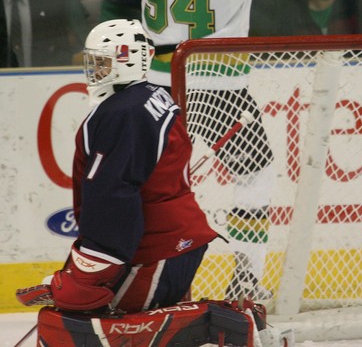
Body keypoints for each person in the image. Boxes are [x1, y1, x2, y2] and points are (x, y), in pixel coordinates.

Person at [106, 0, 332, 301]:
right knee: (254, 173)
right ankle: (247, 279)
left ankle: (128, 274)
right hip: (217, 87)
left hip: (157, 87)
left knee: (151, 183)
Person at [17, 18, 218, 315]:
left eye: (102, 62)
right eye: (93, 61)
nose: (94, 70)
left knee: (96, 323)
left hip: (155, 252)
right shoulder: (150, 96)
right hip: (176, 243)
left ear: (126, 61)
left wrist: (93, 266)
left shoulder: (121, 112)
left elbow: (112, 193)